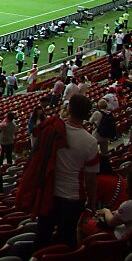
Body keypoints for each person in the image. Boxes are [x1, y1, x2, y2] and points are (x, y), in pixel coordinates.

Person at [35, 94, 100, 249]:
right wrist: (91, 202)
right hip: (73, 197)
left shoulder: (53, 130)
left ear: (69, 109)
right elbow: (91, 179)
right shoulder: (90, 141)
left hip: (50, 193)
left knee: (43, 236)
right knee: (67, 237)